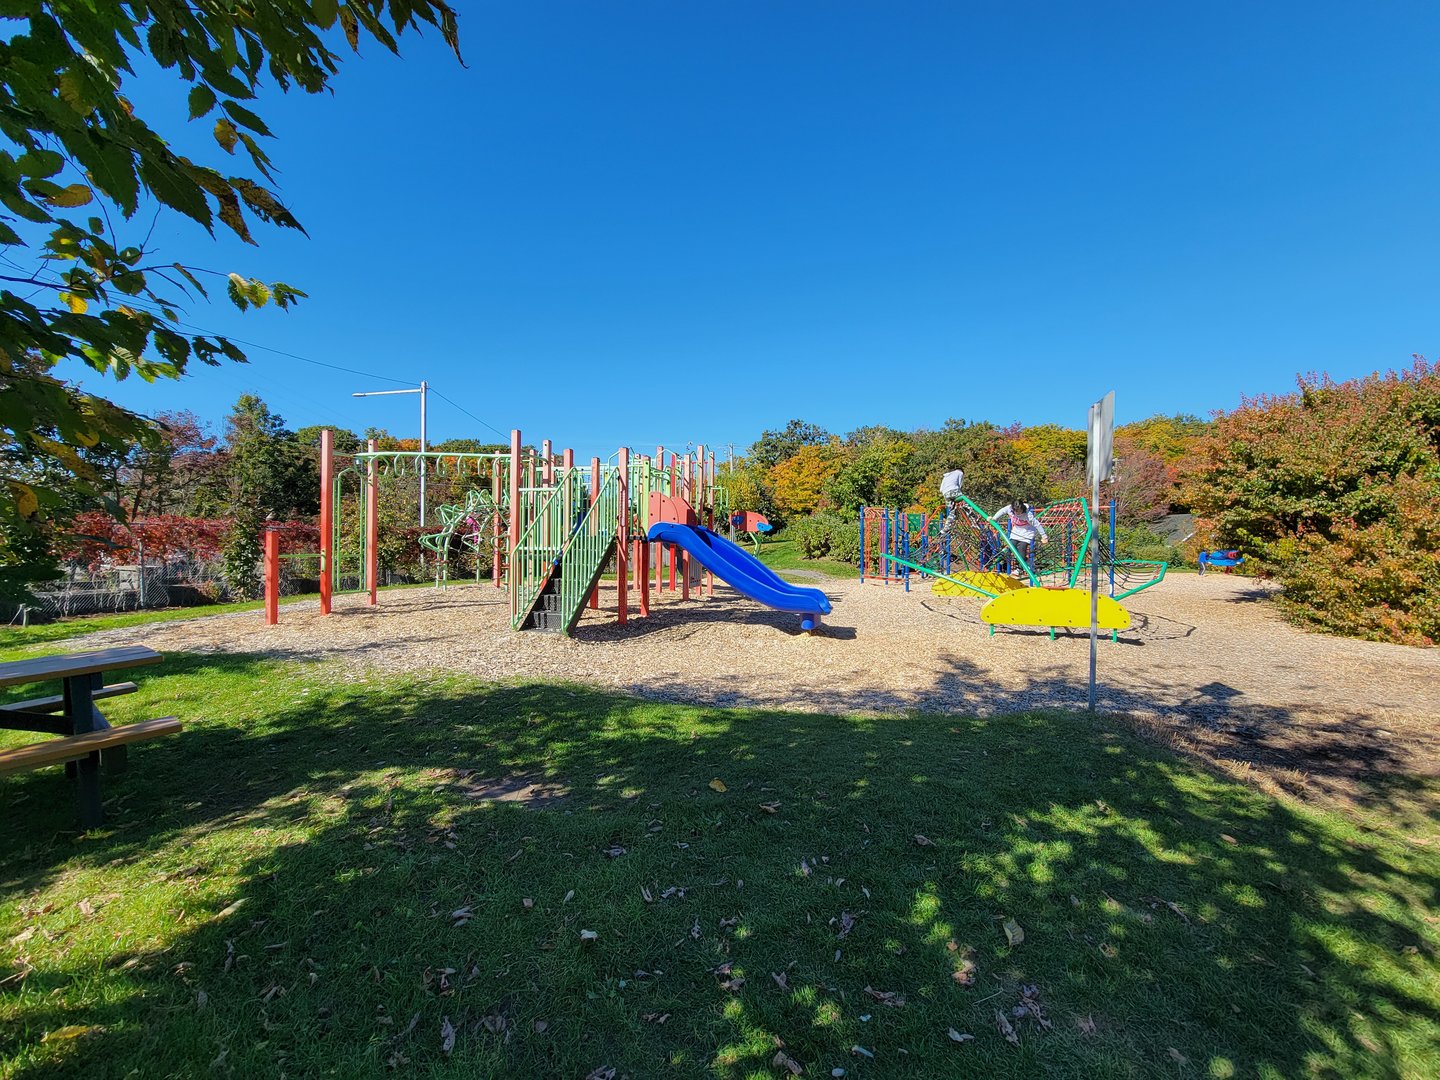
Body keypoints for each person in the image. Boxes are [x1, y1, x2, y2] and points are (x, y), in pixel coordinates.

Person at [991, 498, 1049, 577]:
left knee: (1021, 548)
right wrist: (994, 518)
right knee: (1011, 547)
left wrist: (1044, 536)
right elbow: (1002, 511)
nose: (1018, 513)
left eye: (1020, 511)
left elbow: (1037, 525)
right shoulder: (1009, 509)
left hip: (1027, 533)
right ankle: (1028, 562)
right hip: (1016, 531)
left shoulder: (1028, 515)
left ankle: (1019, 569)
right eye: (1016, 512)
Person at [938, 466, 965, 535]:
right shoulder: (960, 472)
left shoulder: (947, 476)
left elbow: (941, 489)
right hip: (954, 490)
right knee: (966, 501)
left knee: (952, 512)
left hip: (945, 494)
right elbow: (960, 485)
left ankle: (945, 529)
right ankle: (974, 519)